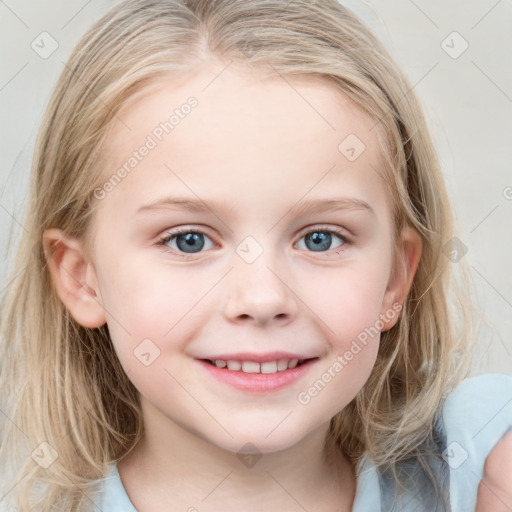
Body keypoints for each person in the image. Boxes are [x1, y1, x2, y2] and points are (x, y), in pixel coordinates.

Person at [0, 0, 510, 510]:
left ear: (396, 279)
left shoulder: (480, 464)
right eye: (188, 240)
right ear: (81, 278)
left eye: (320, 239)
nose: (263, 298)